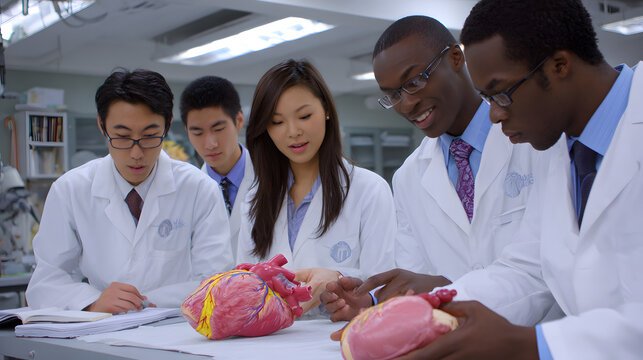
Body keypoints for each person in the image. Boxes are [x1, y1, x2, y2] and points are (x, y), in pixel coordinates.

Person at [389, 0, 643, 359]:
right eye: (486, 97)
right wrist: (428, 311)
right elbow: (527, 268)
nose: (493, 114)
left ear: (559, 66)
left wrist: (534, 344)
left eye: (502, 92)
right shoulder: (558, 150)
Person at [321, 16, 552, 322]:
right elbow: (415, 276)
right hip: (455, 345)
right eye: (393, 95)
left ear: (456, 58)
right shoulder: (408, 177)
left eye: (414, 82)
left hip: (544, 340)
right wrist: (375, 302)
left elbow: (543, 267)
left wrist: (449, 290)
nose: (406, 105)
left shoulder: (534, 141)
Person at [26, 69, 234, 313]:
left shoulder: (199, 189)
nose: (136, 153)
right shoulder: (70, 190)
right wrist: (93, 301)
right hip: (101, 330)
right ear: (102, 127)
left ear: (166, 127)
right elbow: (46, 281)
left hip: (176, 328)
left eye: (150, 136)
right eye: (122, 137)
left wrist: (143, 301)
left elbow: (216, 280)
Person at [236, 59, 397, 314]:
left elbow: (384, 285)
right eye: (277, 122)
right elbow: (242, 283)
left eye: (304, 116)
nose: (293, 131)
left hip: (338, 341)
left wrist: (337, 276)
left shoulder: (369, 190)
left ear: (327, 111)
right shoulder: (255, 200)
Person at [181, 76, 253, 257]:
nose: (210, 144)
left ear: (238, 121)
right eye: (197, 132)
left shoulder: (275, 178)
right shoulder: (187, 192)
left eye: (218, 129)